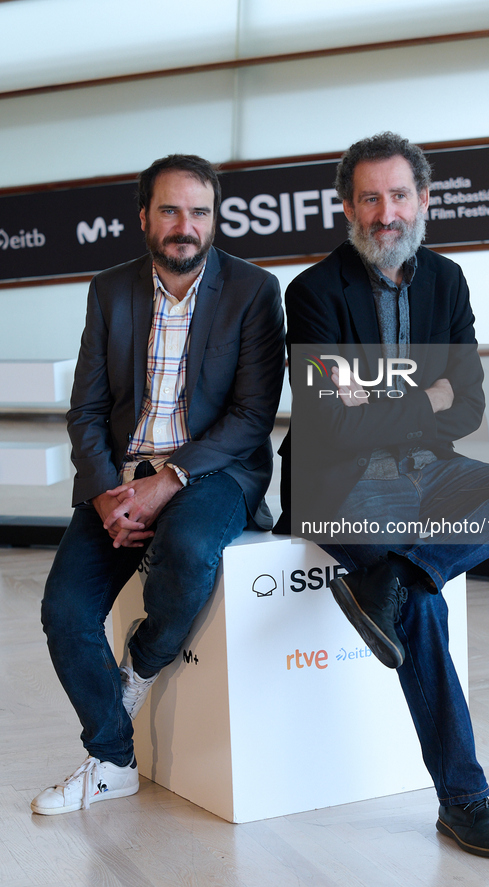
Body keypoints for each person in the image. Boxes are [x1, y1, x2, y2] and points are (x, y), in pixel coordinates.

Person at [275, 132, 489, 859]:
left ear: (424, 200)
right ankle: (463, 798)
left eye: (399, 195)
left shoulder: (446, 281)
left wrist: (379, 393)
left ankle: (402, 575)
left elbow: (467, 406)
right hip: (343, 483)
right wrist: (422, 390)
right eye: (369, 197)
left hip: (431, 471)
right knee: (429, 608)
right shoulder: (313, 292)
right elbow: (330, 424)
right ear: (346, 206)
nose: (386, 212)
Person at [32, 154, 285, 816]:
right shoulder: (110, 289)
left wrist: (169, 478)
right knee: (63, 612)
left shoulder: (254, 290)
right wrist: (102, 493)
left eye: (199, 211)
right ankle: (113, 759)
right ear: (143, 216)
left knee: (189, 547)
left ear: (214, 218)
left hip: (214, 469)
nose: (185, 225)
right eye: (170, 210)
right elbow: (85, 409)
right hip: (121, 476)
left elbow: (252, 416)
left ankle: (140, 663)